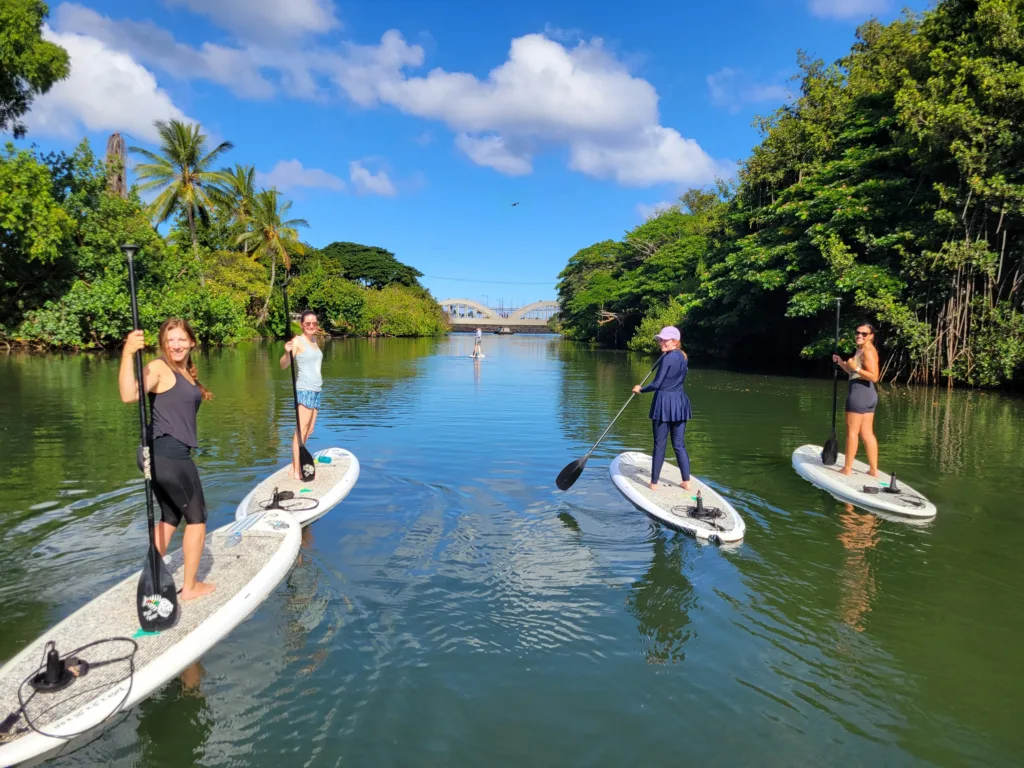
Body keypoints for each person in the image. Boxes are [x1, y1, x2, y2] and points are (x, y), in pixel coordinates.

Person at [119, 318, 214, 600]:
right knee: (197, 518)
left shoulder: (185, 372)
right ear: (162, 343)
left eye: (181, 339)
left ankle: (151, 572)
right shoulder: (160, 367)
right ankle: (191, 587)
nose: (175, 345)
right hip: (168, 454)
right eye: (170, 340)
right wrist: (127, 353)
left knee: (171, 516)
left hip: (161, 454)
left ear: (192, 342)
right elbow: (128, 395)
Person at [632, 326, 693, 491]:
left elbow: (657, 384)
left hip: (664, 403)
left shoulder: (667, 358)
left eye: (664, 340)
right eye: (660, 339)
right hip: (680, 403)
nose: (661, 342)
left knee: (659, 444)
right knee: (679, 444)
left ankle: (653, 484)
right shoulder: (683, 356)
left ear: (674, 341)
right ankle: (686, 481)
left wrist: (640, 389)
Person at [832, 322, 880, 476]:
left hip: (860, 393)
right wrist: (841, 363)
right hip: (867, 395)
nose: (859, 335)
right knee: (867, 433)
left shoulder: (868, 351)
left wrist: (856, 368)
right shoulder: (860, 350)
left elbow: (874, 376)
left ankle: (847, 469)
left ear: (871, 336)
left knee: (852, 433)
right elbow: (853, 372)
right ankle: (873, 471)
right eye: (858, 332)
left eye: (864, 334)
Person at [281, 310, 323, 480]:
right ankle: (296, 469)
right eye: (308, 324)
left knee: (309, 429)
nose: (311, 326)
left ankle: (294, 464)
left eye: (314, 323)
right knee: (300, 431)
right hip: (304, 390)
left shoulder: (314, 341)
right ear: (302, 325)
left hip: (316, 390)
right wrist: (286, 352)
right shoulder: (297, 341)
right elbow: (284, 365)